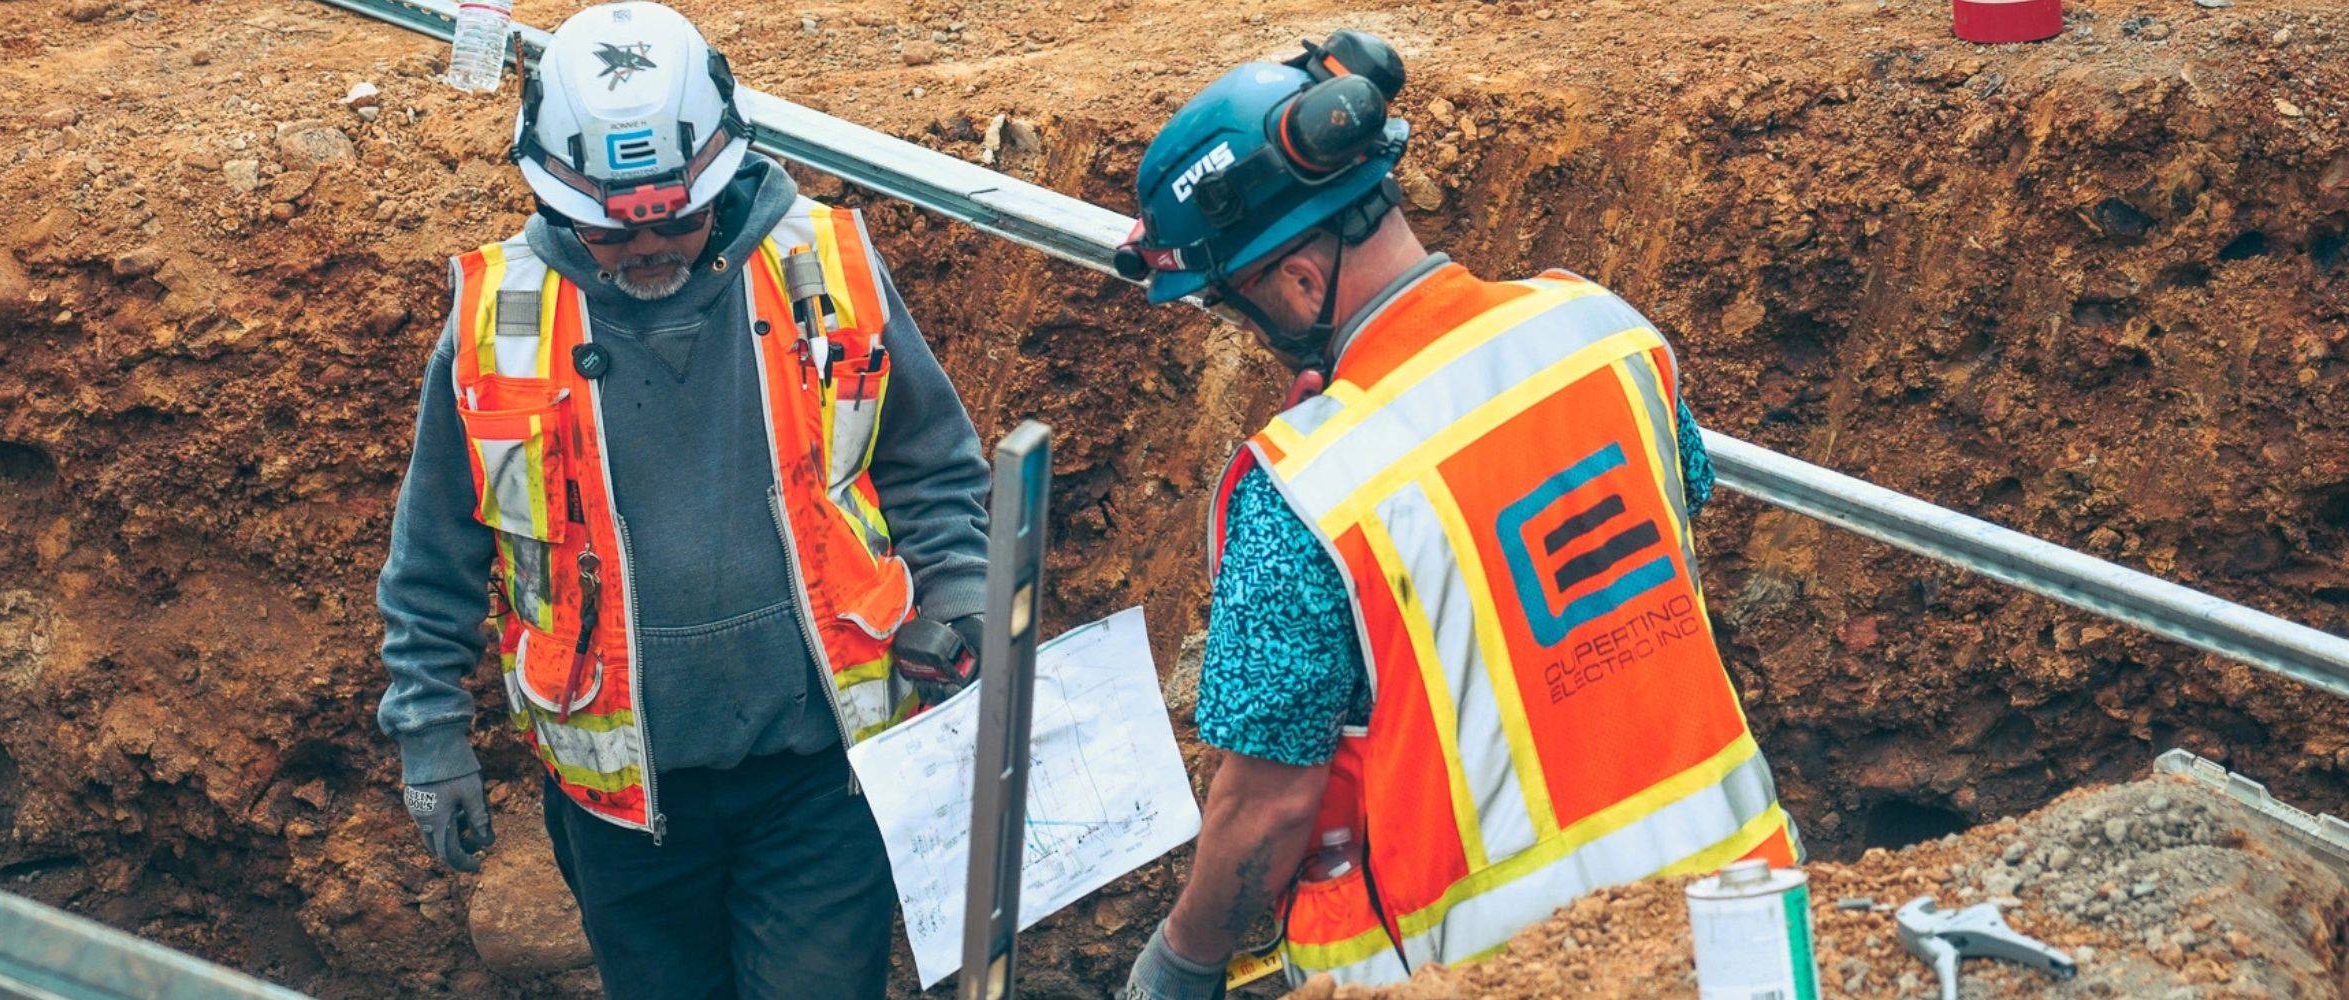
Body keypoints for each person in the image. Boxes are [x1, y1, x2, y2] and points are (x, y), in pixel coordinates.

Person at [1111, 33, 1799, 996]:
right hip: (1745, 921)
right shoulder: (1601, 333)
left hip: (1504, 969)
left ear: (1301, 283)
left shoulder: (1302, 489)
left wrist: (1182, 960)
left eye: (1240, 307)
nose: (1253, 335)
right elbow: (1670, 506)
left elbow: (1268, 804)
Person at [371, 4, 991, 997]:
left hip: (820, 775)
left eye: (675, 219)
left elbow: (931, 463)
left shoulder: (821, 267)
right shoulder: (496, 325)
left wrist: (957, 594)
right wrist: (431, 733)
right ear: (556, 199)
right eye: (613, 232)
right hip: (623, 808)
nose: (645, 248)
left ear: (723, 178)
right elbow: (435, 552)